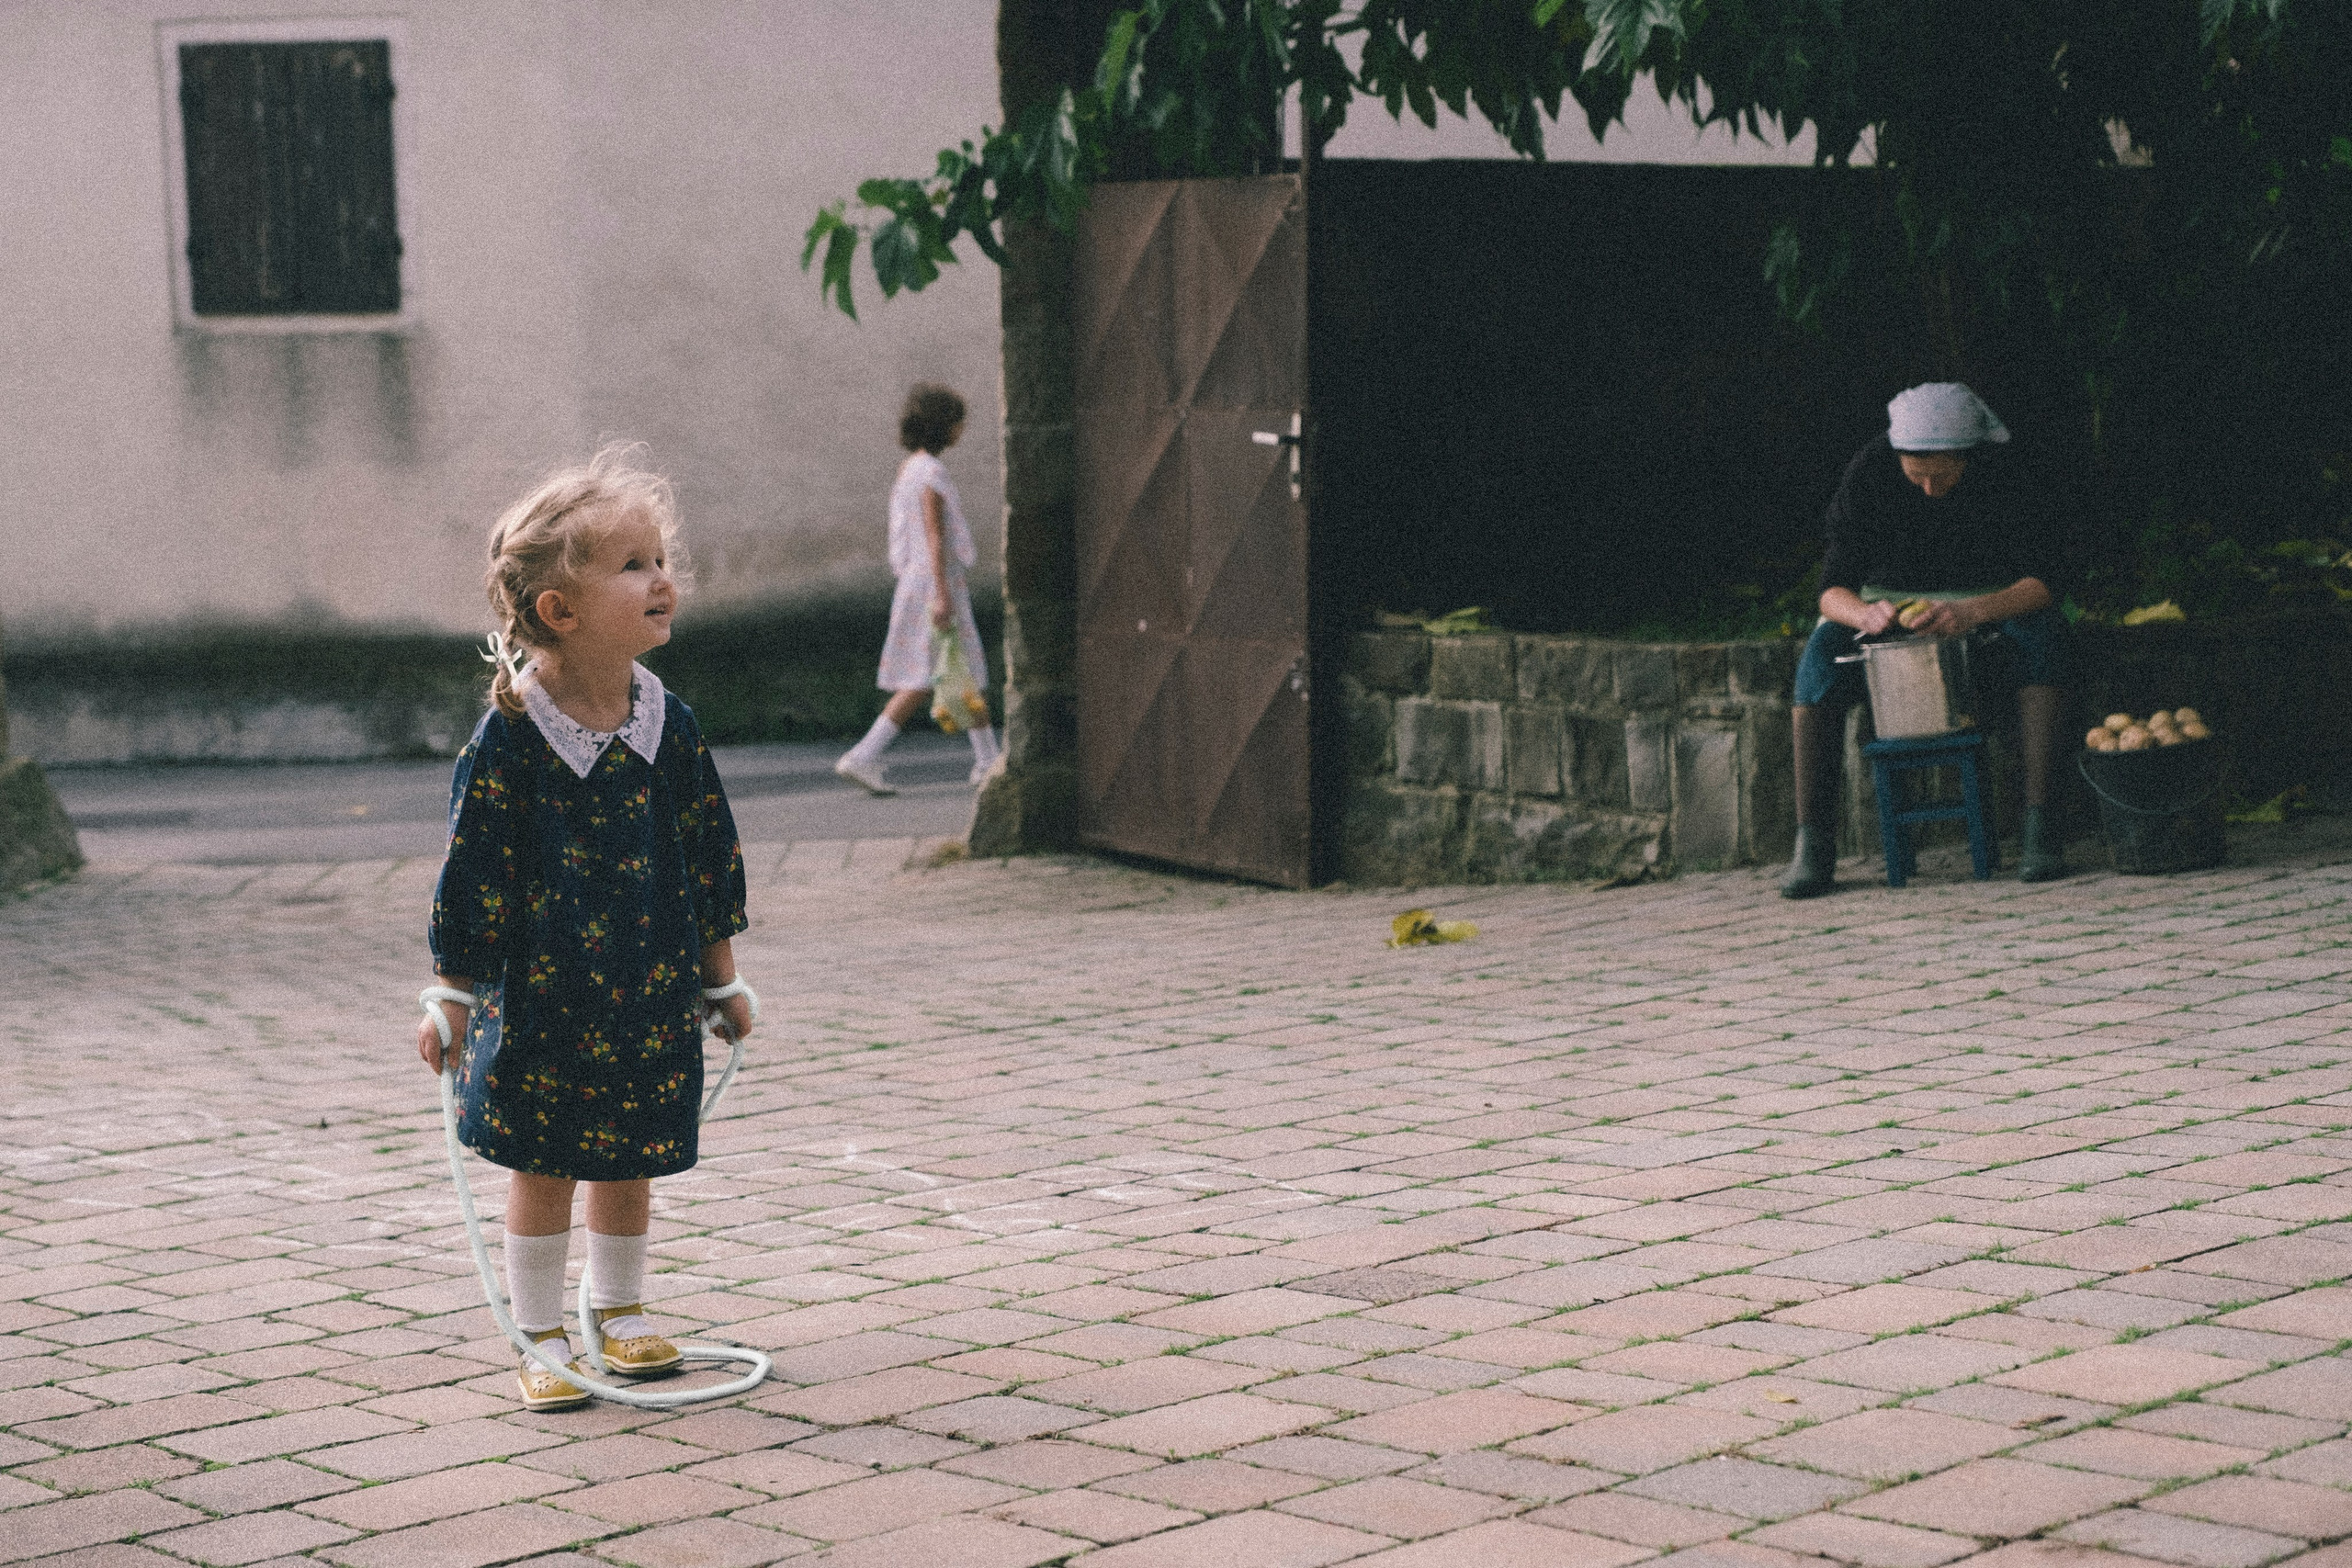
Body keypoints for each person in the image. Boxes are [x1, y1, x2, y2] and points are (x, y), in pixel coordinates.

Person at [416, 446, 753, 1410]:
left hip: (648, 990)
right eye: (633, 565)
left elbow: (707, 853)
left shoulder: (668, 722)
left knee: (633, 1152)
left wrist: (720, 978)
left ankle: (619, 1309)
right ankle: (539, 1331)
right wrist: (451, 994)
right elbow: (473, 874)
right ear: (559, 610)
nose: (663, 579)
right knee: (547, 1160)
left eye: (661, 557)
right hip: (545, 999)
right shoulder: (513, 736)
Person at [1781, 382, 2074, 897]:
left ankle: (2041, 828)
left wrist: (1972, 611)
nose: (1930, 491)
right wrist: (1867, 616)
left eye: (1942, 476)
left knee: (2044, 645)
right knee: (1818, 665)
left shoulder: (2011, 473)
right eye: (1916, 477)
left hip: (1990, 600)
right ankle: (1814, 843)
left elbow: (2045, 582)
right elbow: (1831, 590)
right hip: (1888, 603)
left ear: (1969, 455)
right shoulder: (1870, 470)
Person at [835, 384, 1000, 794]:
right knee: (945, 670)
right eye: (958, 420)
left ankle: (987, 761)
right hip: (934, 583)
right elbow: (934, 534)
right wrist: (943, 593)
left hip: (916, 581)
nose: (963, 428)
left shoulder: (910, 467)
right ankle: (864, 755)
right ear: (944, 426)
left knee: (941, 671)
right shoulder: (932, 473)